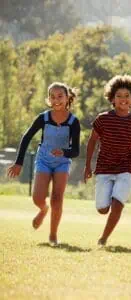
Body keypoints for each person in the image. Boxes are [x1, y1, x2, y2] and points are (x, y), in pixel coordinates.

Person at [7, 82, 80, 246]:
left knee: (57, 198)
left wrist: (63, 152)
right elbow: (26, 137)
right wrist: (18, 163)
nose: (56, 100)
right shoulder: (43, 118)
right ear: (49, 99)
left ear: (67, 97)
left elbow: (75, 151)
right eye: (52, 97)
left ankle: (53, 235)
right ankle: (43, 209)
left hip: (62, 162)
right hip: (44, 160)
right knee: (38, 198)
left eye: (60, 96)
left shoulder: (73, 122)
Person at [84, 75, 131, 247]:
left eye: (127, 96)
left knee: (118, 204)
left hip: (125, 169)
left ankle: (103, 238)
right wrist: (87, 166)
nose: (123, 99)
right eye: (119, 96)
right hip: (104, 169)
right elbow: (92, 142)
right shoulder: (102, 119)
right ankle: (108, 202)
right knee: (102, 209)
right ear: (112, 98)